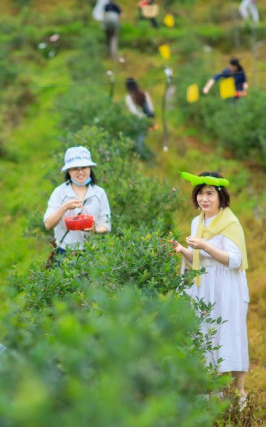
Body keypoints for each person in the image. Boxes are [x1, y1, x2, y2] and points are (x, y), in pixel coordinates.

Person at [172, 171, 249, 404]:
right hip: (204, 285)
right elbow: (199, 259)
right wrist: (182, 250)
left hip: (227, 287)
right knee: (205, 333)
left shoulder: (230, 222)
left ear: (220, 197)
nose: (203, 199)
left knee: (229, 334)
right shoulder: (198, 221)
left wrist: (204, 245)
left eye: (209, 194)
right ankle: (210, 389)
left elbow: (234, 260)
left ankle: (239, 394)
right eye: (200, 194)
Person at [43, 146, 111, 254]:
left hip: (92, 251)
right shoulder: (59, 192)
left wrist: (95, 229)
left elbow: (106, 224)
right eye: (75, 168)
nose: (80, 172)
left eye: (84, 167)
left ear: (90, 168)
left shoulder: (99, 193)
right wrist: (64, 207)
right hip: (65, 251)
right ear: (68, 171)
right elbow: (48, 224)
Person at [125, 77, 156, 153]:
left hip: (139, 120)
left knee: (139, 137)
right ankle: (142, 151)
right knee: (142, 136)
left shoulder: (129, 97)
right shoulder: (144, 93)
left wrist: (142, 118)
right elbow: (150, 107)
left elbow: (133, 111)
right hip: (148, 119)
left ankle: (140, 152)